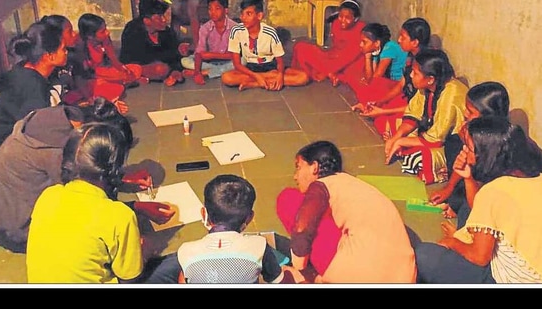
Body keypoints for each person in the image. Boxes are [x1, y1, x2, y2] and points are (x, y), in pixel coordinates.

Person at [0, 98, 172, 253]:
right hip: (21, 230)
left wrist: (121, 177)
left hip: (4, 214)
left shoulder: (60, 117)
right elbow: (91, 208)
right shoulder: (60, 154)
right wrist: (136, 208)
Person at [26, 122, 176, 283]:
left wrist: (136, 206)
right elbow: (130, 278)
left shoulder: (49, 195)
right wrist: (144, 251)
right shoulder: (119, 217)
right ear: (114, 169)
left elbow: (87, 218)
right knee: (178, 262)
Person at [415, 117, 542, 284]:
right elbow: (482, 211)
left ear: (485, 154)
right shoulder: (534, 177)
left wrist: (453, 242)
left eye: (468, 147)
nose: (463, 151)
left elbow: (479, 257)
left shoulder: (494, 191)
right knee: (466, 209)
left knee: (424, 254)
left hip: (513, 280)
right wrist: (468, 178)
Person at [278, 140, 416, 283]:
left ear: (314, 167)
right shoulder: (354, 184)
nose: (295, 176)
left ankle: (310, 279)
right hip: (406, 276)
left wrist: (299, 265)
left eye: (298, 167)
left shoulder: (322, 186)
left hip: (364, 276)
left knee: (288, 199)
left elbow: (302, 229)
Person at [176, 174, 295, 283]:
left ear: (203, 213)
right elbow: (279, 281)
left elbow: (183, 281)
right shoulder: (259, 246)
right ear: (249, 218)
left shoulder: (185, 251)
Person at [429, 82, 510, 231]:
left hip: (487, 194)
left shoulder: (501, 145)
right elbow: (463, 163)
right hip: (473, 180)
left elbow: (485, 193)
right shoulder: (470, 131)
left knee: (465, 209)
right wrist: (449, 187)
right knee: (454, 141)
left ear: (488, 115)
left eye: (471, 111)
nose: (465, 114)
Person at [384, 49, 468, 185]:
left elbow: (437, 137)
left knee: (419, 159)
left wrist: (400, 142)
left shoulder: (451, 93)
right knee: (394, 124)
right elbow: (413, 114)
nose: (411, 75)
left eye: (415, 73)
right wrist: (396, 137)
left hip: (451, 143)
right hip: (429, 132)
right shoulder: (427, 86)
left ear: (430, 79)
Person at [0, 21, 67, 153]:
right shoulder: (33, 87)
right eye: (63, 49)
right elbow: (37, 134)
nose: (66, 52)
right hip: (10, 153)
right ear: (49, 56)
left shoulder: (24, 68)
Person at [351, 17, 431, 137]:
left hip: (415, 109)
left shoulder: (425, 65)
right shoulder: (410, 57)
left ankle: (384, 120)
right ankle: (371, 108)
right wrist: (378, 103)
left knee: (387, 120)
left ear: (415, 42)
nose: (399, 40)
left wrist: (382, 111)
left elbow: (418, 108)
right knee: (375, 88)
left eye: (403, 37)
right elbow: (400, 85)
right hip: (406, 98)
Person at [220, 0, 309, 91]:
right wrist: (257, 76)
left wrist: (279, 75)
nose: (243, 18)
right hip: (251, 69)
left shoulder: (270, 33)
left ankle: (254, 84)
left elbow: (280, 61)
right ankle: (266, 79)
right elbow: (237, 64)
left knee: (303, 77)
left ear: (259, 16)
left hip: (271, 67)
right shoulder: (236, 31)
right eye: (242, 14)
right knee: (227, 78)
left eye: (248, 14)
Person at [75, 13, 143, 113]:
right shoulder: (80, 45)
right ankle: (116, 89)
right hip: (93, 79)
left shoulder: (105, 39)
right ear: (90, 36)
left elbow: (114, 61)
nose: (107, 32)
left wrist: (123, 70)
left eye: (106, 28)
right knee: (117, 87)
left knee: (136, 69)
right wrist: (117, 76)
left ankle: (124, 81)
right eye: (103, 31)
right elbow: (83, 76)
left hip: (106, 72)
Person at [291, 0, 365, 86]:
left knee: (354, 72)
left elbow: (349, 57)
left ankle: (330, 74)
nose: (343, 20)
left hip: (349, 62)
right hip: (333, 57)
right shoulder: (336, 23)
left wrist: (328, 70)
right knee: (300, 47)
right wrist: (328, 68)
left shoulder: (361, 30)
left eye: (347, 18)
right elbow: (335, 48)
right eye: (341, 16)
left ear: (355, 19)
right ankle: (329, 74)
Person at [120, 0, 186, 87]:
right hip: (135, 65)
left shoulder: (166, 31)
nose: (164, 20)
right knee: (160, 69)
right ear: (147, 21)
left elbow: (175, 56)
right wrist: (174, 53)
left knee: (166, 68)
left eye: (163, 15)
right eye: (159, 17)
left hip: (161, 65)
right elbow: (142, 58)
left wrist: (176, 70)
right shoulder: (132, 31)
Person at [180, 0, 238, 85]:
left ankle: (206, 72)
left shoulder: (235, 28)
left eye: (217, 9)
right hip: (210, 62)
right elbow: (199, 53)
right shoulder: (205, 28)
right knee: (185, 61)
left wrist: (212, 55)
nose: (213, 12)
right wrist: (197, 73)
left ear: (225, 10)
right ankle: (216, 70)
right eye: (210, 9)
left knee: (242, 61)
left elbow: (235, 55)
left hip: (228, 61)